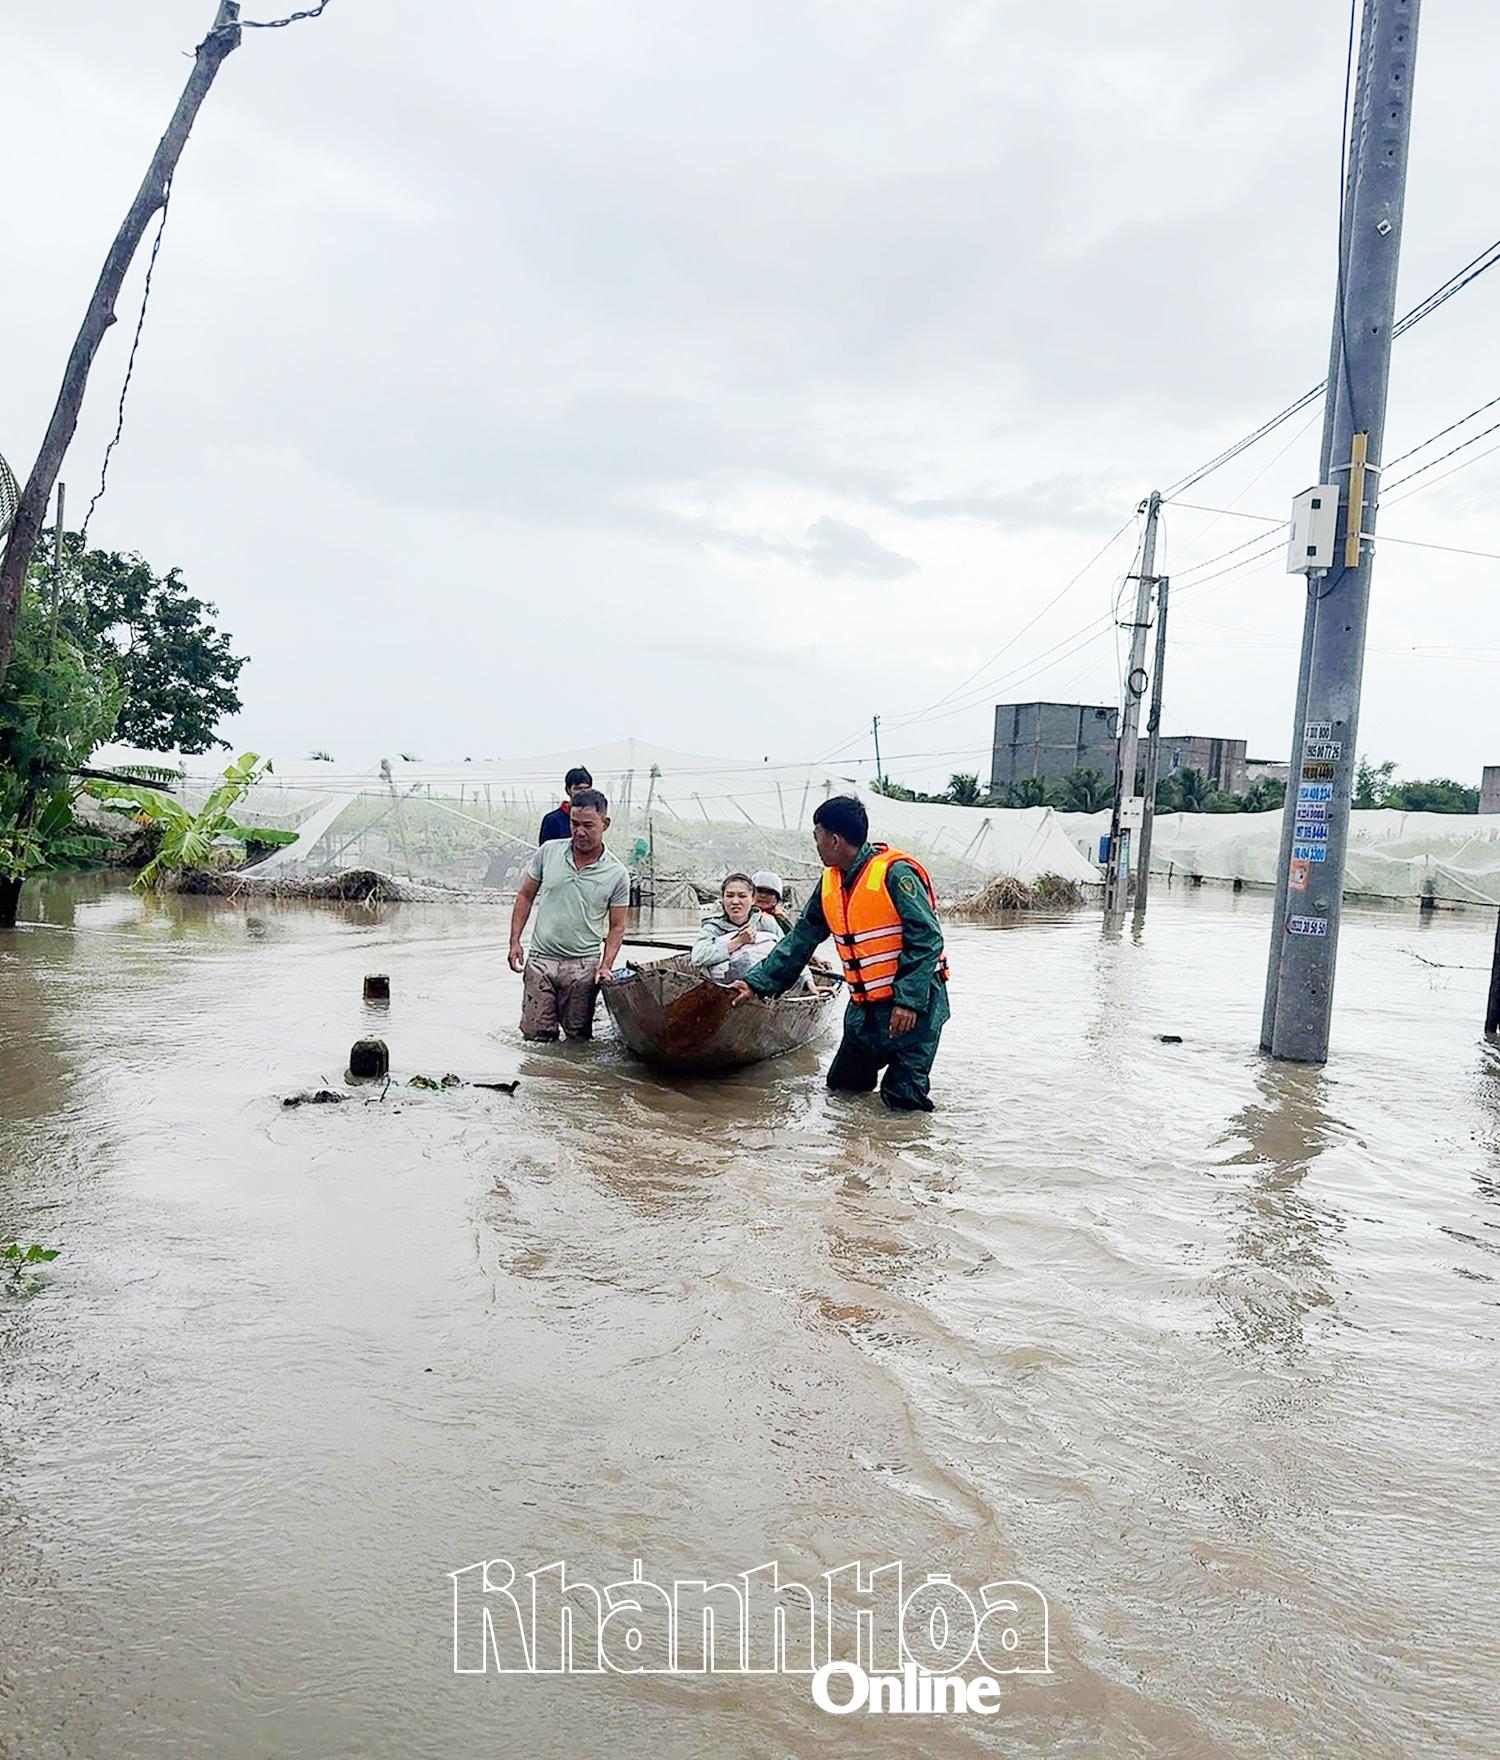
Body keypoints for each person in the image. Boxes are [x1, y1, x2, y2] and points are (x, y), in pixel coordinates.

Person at [730, 795, 950, 1112]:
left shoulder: (896, 874)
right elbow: (802, 938)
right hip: (865, 1009)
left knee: (904, 1102)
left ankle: (898, 1142)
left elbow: (927, 938)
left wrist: (909, 1001)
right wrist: (756, 983)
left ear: (834, 840)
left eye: (817, 836)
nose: (815, 844)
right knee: (842, 1090)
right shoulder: (829, 882)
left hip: (915, 1008)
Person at [509, 788, 629, 1041]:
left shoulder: (617, 873)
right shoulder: (548, 852)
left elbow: (617, 927)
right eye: (574, 824)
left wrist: (605, 966)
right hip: (541, 960)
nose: (579, 832)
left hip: (583, 966)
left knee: (578, 1040)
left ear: (605, 823)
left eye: (588, 825)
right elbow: (525, 896)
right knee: (535, 1038)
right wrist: (515, 941)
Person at [692, 872, 786, 986]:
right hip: (722, 987)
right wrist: (738, 942)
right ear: (723, 899)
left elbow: (787, 952)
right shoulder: (713, 926)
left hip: (761, 984)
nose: (735, 902)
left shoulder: (767, 923)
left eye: (742, 896)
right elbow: (697, 958)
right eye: (729, 896)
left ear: (753, 899)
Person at [537, 766, 594, 845]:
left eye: (587, 788)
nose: (583, 793)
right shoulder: (552, 820)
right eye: (578, 788)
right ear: (567, 790)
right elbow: (545, 850)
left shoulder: (595, 818)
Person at [751, 869, 796, 935]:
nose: (763, 895)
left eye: (769, 892)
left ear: (776, 899)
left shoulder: (781, 920)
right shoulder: (742, 915)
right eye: (759, 891)